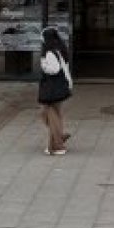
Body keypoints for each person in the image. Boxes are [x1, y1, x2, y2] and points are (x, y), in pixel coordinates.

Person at [37, 26, 73, 156]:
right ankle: (57, 140)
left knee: (48, 115)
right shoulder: (60, 50)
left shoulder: (50, 53)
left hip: (52, 89)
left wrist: (43, 64)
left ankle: (58, 145)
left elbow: (54, 69)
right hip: (60, 87)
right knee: (54, 115)